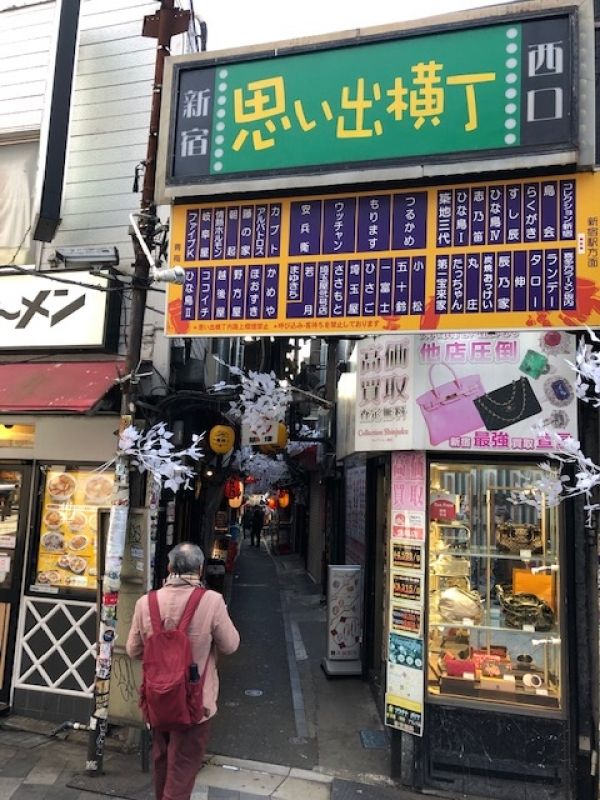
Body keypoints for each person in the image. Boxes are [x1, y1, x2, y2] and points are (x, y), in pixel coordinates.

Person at [126, 543, 240, 800]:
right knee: (183, 767)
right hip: (194, 703)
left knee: (162, 762)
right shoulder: (212, 601)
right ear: (200, 569)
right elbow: (231, 645)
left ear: (169, 568)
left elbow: (133, 650)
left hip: (157, 700)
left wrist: (162, 658)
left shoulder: (146, 602)